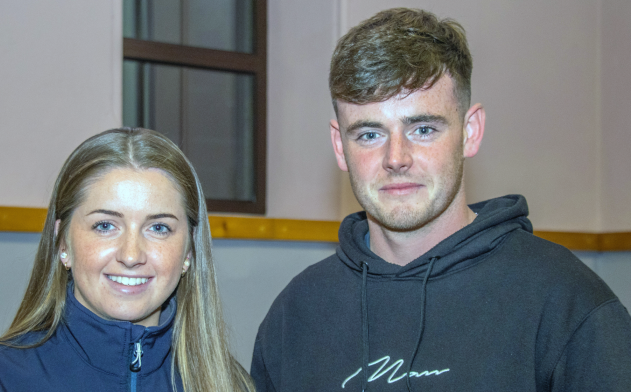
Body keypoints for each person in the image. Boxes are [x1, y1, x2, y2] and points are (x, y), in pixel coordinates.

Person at [251, 8, 631, 392]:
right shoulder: (296, 313)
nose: (396, 158)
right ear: (339, 145)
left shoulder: (566, 302)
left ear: (470, 131)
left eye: (423, 128)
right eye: (369, 134)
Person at [0, 128, 255, 392]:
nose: (131, 255)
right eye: (105, 225)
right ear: (63, 241)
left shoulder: (232, 385)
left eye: (159, 228)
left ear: (188, 252)